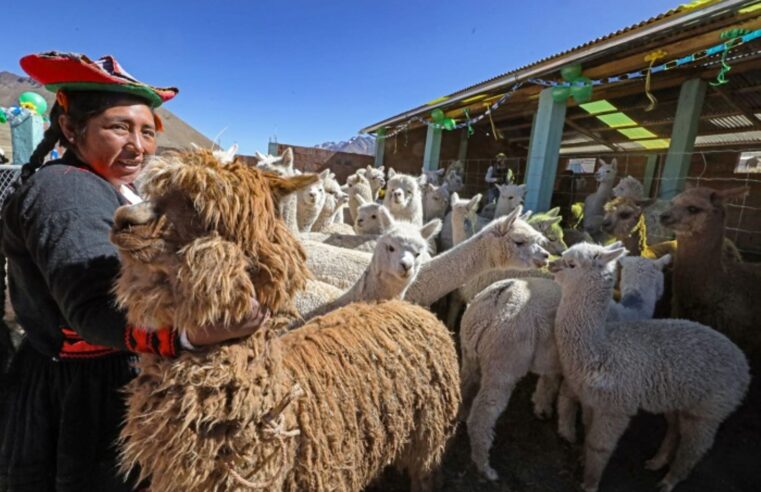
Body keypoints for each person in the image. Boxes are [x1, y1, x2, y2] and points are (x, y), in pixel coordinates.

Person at [0, 52, 268, 492]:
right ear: (71, 129)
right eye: (119, 127)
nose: (138, 145)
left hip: (109, 378)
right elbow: (93, 308)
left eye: (147, 132)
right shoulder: (65, 190)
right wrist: (189, 336)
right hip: (81, 402)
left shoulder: (113, 186)